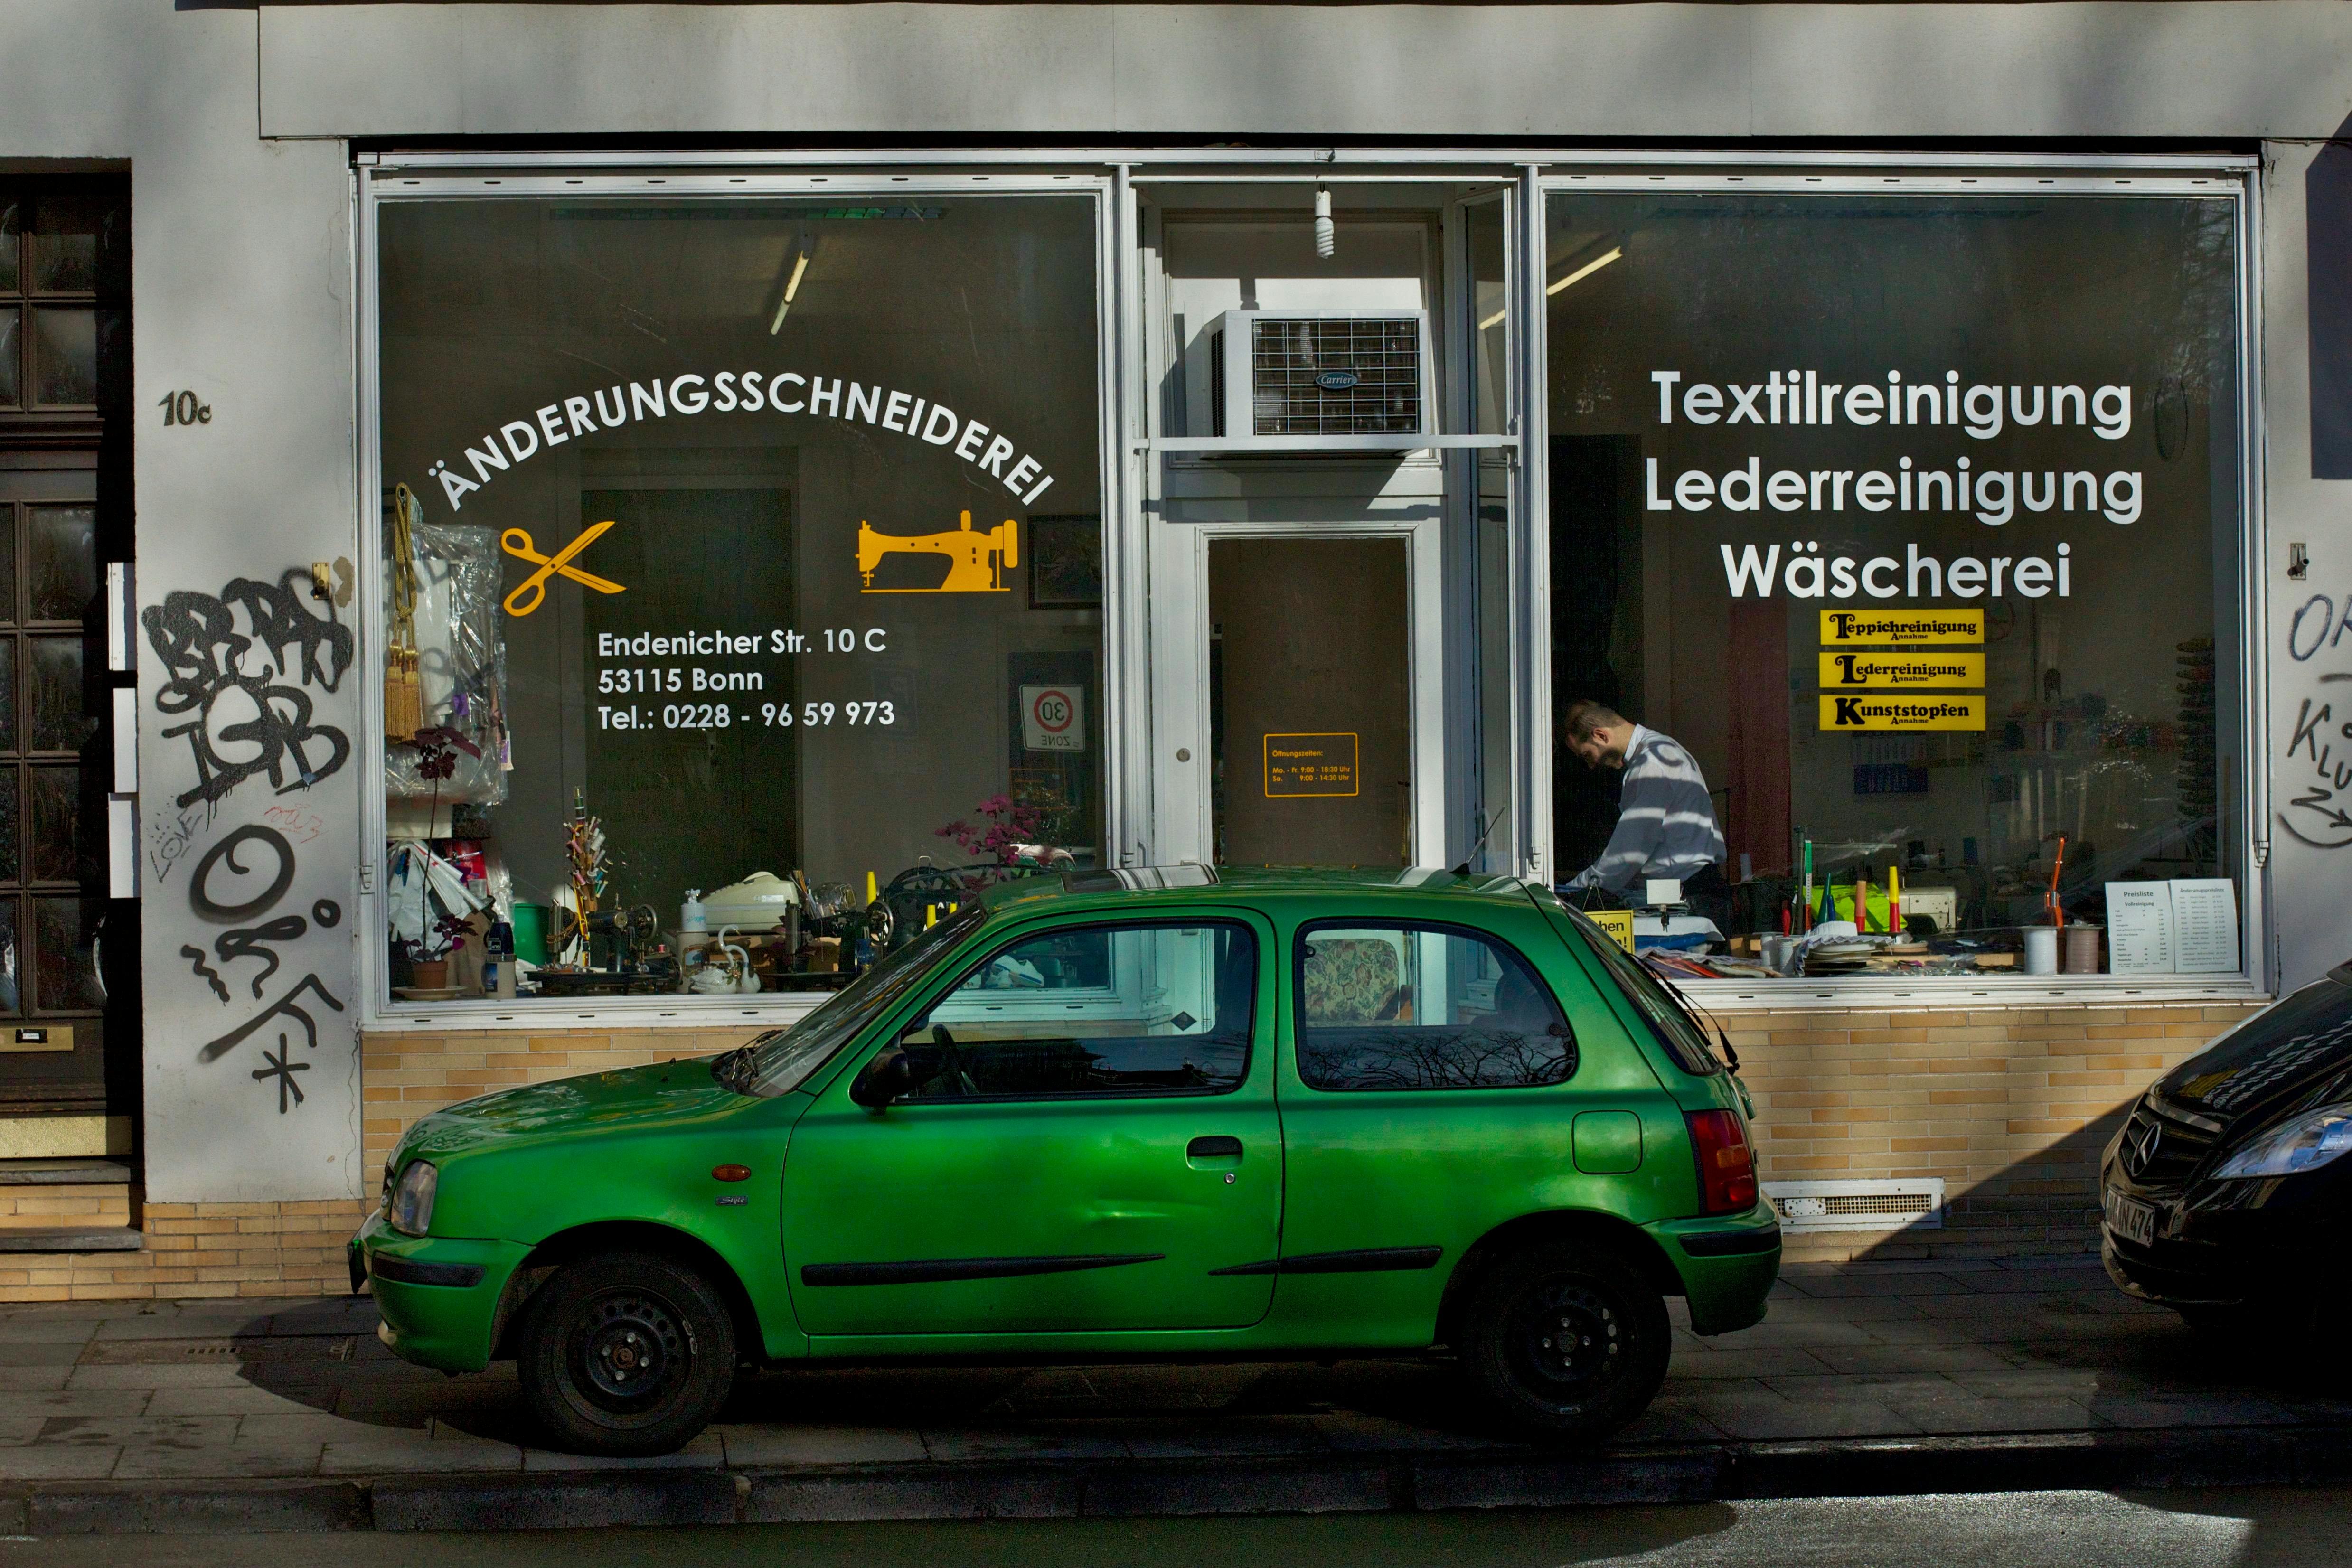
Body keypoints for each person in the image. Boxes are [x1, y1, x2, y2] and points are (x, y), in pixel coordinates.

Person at [1558, 699, 1729, 908]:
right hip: (1692, 889)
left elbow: (1628, 854)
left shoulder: (1652, 762)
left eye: (1587, 755)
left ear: (1601, 736)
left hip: (1691, 895)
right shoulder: (1661, 750)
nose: (1591, 765)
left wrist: (1574, 892)